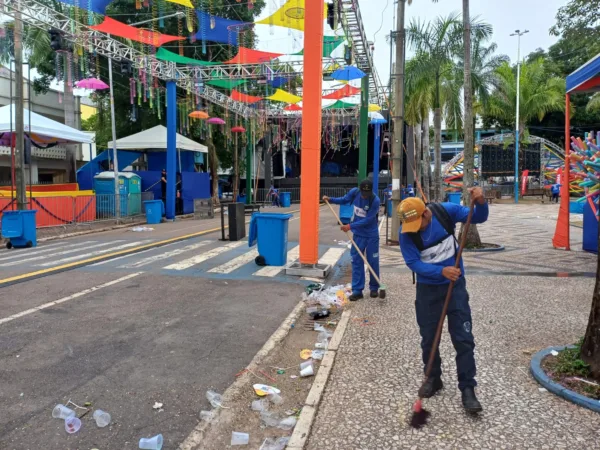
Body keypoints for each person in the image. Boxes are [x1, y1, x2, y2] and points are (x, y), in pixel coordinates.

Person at [397, 187, 488, 413]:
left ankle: (468, 388)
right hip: (428, 291)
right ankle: (433, 378)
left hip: (455, 288)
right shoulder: (406, 233)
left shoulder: (445, 212)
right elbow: (413, 263)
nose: (414, 230)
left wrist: (481, 201)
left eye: (418, 223)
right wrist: (440, 272)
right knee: (429, 338)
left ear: (426, 213)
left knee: (463, 338)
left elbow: (478, 217)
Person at [323, 179, 380, 301]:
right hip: (358, 235)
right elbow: (344, 200)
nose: (365, 196)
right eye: (363, 193)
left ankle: (374, 288)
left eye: (367, 193)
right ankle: (357, 290)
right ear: (360, 190)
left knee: (372, 261)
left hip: (371, 236)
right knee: (357, 261)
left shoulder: (375, 200)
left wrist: (350, 226)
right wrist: (331, 199)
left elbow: (369, 220)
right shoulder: (354, 192)